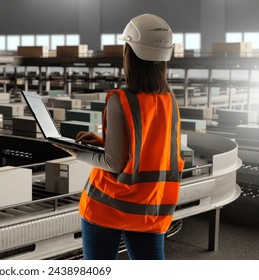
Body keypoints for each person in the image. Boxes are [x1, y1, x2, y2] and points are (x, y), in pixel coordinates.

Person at [54, 14, 184, 260]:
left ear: (129, 54)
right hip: (150, 208)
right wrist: (105, 143)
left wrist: (76, 151)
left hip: (106, 207)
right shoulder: (170, 102)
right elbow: (150, 150)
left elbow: (113, 163)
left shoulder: (120, 100)